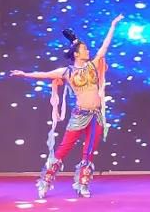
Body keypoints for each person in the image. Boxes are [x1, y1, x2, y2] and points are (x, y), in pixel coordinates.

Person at [9, 14, 123, 199]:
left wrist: (113, 25)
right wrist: (25, 74)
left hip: (96, 116)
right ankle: (45, 182)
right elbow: (45, 74)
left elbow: (105, 46)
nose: (88, 51)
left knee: (88, 152)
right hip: (80, 115)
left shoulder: (93, 66)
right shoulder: (67, 71)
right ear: (76, 54)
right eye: (84, 49)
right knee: (63, 150)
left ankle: (83, 185)